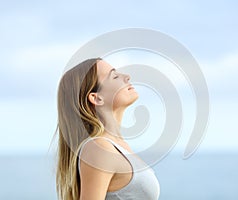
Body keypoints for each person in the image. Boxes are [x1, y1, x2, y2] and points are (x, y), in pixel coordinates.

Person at [55, 58, 160, 200]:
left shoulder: (118, 146)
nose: (127, 76)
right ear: (96, 98)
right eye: (115, 76)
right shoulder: (98, 148)